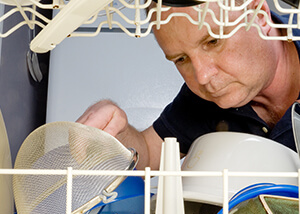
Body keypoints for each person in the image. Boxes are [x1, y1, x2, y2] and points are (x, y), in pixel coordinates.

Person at [77, 0, 300, 170]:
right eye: (181, 59)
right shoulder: (209, 98)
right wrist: (116, 133)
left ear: (260, 16)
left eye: (213, 42)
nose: (202, 76)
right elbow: (150, 154)